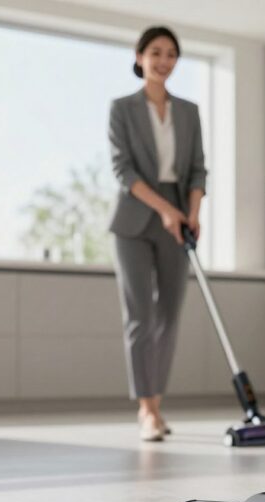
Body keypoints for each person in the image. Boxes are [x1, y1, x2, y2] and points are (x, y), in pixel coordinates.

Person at [108, 26, 206, 442]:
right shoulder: (122, 108)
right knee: (140, 318)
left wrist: (192, 212)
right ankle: (146, 410)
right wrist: (166, 209)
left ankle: (158, 404)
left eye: (171, 54)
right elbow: (122, 169)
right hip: (135, 216)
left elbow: (198, 168)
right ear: (140, 56)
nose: (163, 61)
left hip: (179, 216)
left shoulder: (189, 111)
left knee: (168, 316)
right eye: (155, 53)